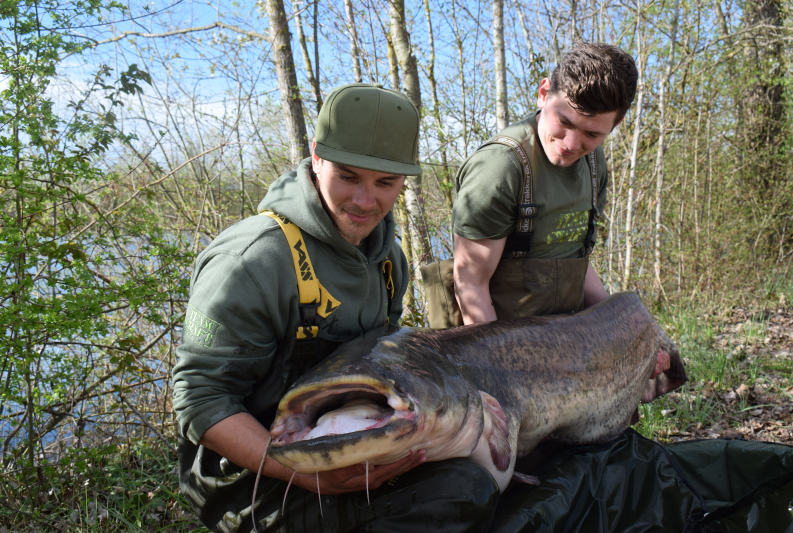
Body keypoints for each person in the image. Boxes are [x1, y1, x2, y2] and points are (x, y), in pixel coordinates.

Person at [173, 83, 498, 533]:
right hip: (251, 477)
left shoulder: (389, 260)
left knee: (482, 475)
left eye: (386, 183)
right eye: (348, 176)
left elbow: (388, 359)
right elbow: (200, 401)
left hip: (351, 438)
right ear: (317, 157)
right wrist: (310, 476)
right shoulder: (251, 262)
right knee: (458, 492)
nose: (366, 202)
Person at [451, 42, 636, 325]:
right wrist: (500, 367)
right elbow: (470, 285)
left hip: (564, 336)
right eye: (564, 121)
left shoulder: (594, 163)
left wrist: (621, 328)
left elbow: (576, 261)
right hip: (493, 341)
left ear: (616, 124)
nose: (571, 144)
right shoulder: (500, 168)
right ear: (543, 94)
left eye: (592, 134)